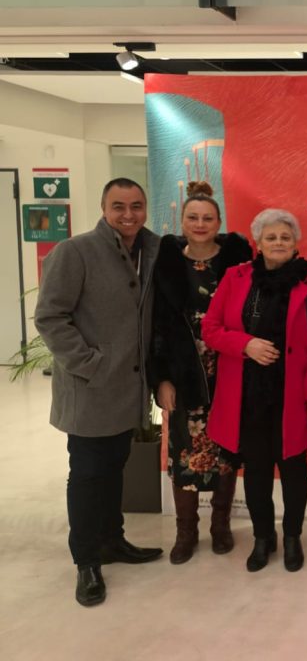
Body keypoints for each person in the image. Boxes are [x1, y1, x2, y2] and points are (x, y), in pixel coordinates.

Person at [35, 177, 163, 607]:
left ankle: (112, 540)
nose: (128, 214)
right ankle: (87, 561)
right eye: (118, 206)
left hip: (128, 388)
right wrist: (90, 363)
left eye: (136, 205)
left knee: (114, 467)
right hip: (90, 388)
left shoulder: (152, 249)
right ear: (104, 209)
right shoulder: (75, 251)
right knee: (88, 474)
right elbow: (50, 316)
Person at [202, 208, 307, 573]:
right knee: (257, 469)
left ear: (295, 243)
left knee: (294, 468)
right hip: (247, 393)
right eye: (271, 237)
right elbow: (211, 328)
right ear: (258, 243)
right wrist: (245, 344)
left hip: (293, 393)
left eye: (285, 237)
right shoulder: (235, 277)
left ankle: (292, 536)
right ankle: (263, 537)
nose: (278, 242)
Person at [150, 181, 252, 564]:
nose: (200, 224)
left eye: (207, 218)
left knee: (227, 453)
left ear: (218, 222)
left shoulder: (237, 264)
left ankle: (220, 526)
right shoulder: (168, 265)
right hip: (183, 375)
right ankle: (186, 532)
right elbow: (157, 326)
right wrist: (162, 379)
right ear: (182, 221)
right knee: (183, 454)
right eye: (193, 217)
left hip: (228, 371)